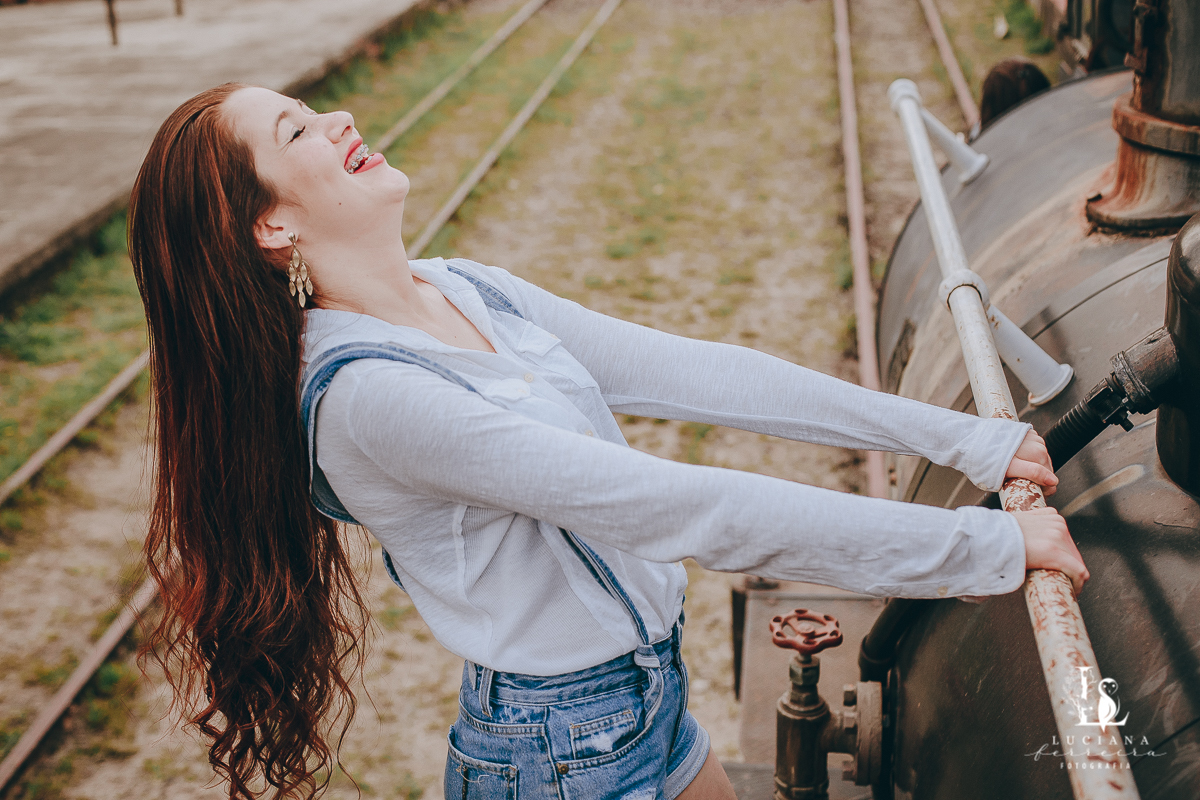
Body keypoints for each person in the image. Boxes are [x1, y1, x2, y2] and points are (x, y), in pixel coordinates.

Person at [129, 83, 1087, 800]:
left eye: (311, 107)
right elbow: (677, 506)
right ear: (271, 223)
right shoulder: (371, 399)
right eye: (295, 131)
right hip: (560, 756)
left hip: (648, 706)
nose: (335, 120)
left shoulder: (466, 288)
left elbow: (706, 373)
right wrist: (982, 550)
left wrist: (965, 438)